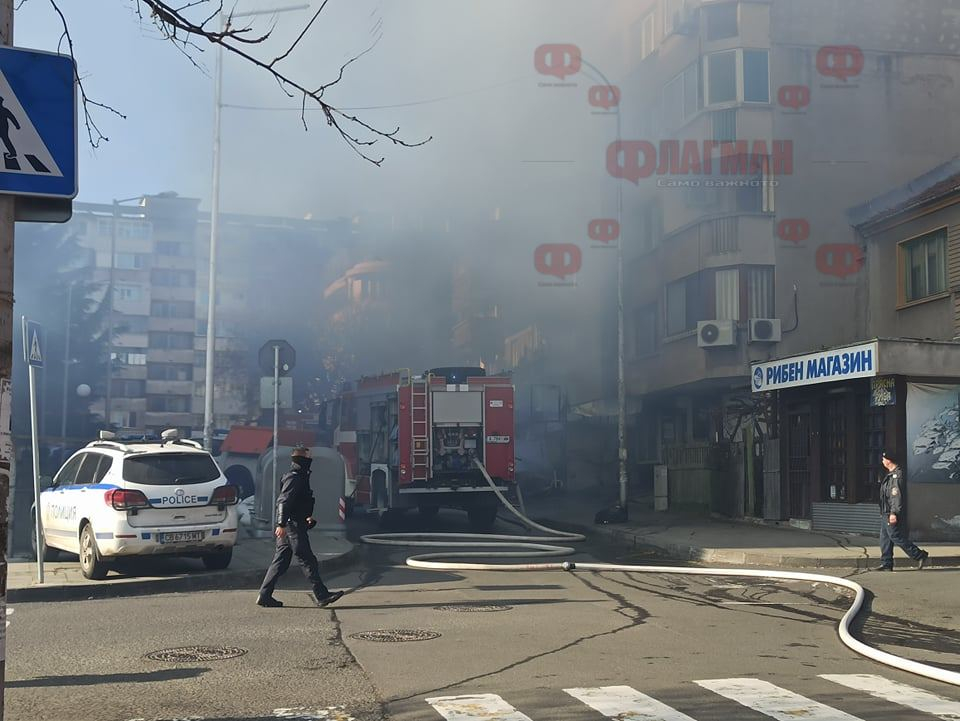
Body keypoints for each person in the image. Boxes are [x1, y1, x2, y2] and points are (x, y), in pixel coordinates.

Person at [256, 446, 344, 607]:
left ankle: (264, 595)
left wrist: (306, 518)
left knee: (280, 562)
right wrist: (281, 523)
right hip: (292, 527)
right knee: (307, 559)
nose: (311, 460)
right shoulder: (294, 478)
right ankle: (322, 595)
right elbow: (283, 501)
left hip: (294, 523)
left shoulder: (300, 477)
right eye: (308, 457)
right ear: (302, 460)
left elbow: (298, 502)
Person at [875, 450, 930, 571]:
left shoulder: (897, 475)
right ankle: (886, 563)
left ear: (888, 460)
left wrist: (894, 513)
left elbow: (896, 496)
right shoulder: (889, 474)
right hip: (885, 512)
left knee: (895, 536)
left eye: (883, 459)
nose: (882, 461)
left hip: (891, 512)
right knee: (885, 538)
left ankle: (919, 555)